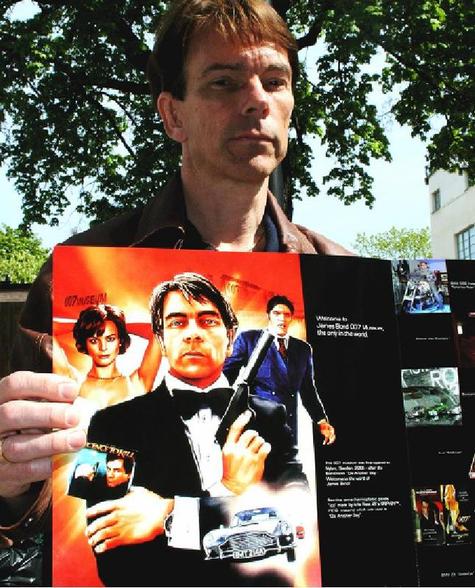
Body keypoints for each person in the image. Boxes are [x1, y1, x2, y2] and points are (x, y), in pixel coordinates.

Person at [0, 0, 351, 583]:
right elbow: (93, 541)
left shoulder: (342, 280)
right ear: (172, 115)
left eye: (275, 81)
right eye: (224, 82)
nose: (257, 100)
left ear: (233, 334)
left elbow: (326, 524)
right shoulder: (77, 285)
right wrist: (9, 479)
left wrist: (176, 514)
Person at [84, 272, 307, 586]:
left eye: (208, 321)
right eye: (177, 322)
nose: (192, 334)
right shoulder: (105, 425)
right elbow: (111, 562)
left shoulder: (271, 417)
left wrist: (169, 515)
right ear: (160, 340)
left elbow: (297, 524)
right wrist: (228, 491)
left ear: (231, 338)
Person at [224, 295, 335, 444]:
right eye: (277, 313)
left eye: (286, 314)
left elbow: (308, 389)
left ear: (291, 318)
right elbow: (226, 376)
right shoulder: (249, 339)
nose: (282, 318)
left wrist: (321, 421)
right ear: (268, 315)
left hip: (289, 425)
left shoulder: (303, 349)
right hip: (258, 423)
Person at [54, 304, 162, 409]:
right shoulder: (72, 381)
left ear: (120, 341)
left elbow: (159, 329)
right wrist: (84, 327)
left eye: (110, 339)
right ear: (85, 343)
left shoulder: (137, 383)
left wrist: (119, 325)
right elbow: (51, 327)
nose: (103, 347)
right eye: (94, 340)